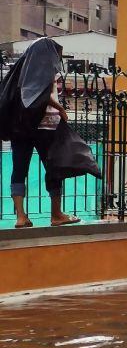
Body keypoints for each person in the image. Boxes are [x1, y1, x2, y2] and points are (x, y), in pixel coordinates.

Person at [0, 38, 82, 228]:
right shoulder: (45, 70)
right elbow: (42, 95)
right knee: (54, 168)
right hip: (46, 126)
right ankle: (56, 214)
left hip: (21, 127)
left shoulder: (22, 69)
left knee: (19, 170)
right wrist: (60, 108)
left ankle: (21, 217)